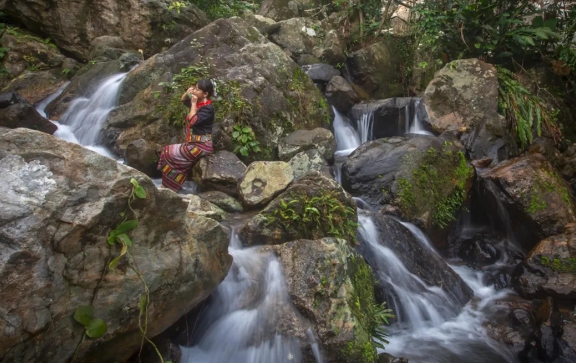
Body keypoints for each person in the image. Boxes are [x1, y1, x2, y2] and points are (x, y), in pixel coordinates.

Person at [157, 79, 215, 192]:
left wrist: (193, 104)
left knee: (170, 153)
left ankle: (169, 187)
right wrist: (187, 92)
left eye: (197, 89)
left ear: (205, 94)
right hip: (195, 143)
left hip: (202, 146)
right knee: (166, 151)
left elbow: (193, 120)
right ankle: (169, 185)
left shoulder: (207, 109)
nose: (194, 90)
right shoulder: (200, 103)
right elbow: (183, 100)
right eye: (194, 87)